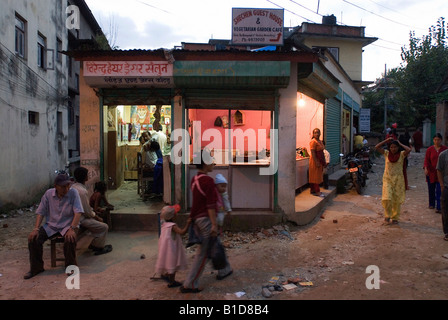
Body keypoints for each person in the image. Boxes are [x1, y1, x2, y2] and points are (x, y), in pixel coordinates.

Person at [181, 150, 233, 293]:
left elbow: (196, 202)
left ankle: (225, 269)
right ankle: (190, 283)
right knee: (203, 253)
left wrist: (191, 217)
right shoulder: (208, 181)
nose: (213, 163)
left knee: (215, 244)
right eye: (211, 160)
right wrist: (214, 224)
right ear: (204, 163)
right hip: (206, 220)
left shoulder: (195, 179)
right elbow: (210, 205)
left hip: (198, 218)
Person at [24, 174, 83, 279]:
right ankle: (36, 268)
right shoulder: (48, 194)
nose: (66, 189)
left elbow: (78, 212)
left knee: (70, 239)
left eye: (67, 186)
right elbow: (40, 212)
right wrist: (36, 229)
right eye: (63, 186)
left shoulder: (73, 193)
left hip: (68, 225)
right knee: (34, 239)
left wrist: (72, 228)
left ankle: (71, 267)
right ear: (56, 186)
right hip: (51, 226)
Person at [72, 167, 112, 255]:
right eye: (87, 175)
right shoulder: (82, 192)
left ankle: (95, 243)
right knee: (103, 227)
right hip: (80, 218)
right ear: (85, 177)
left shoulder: (73, 187)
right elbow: (87, 211)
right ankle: (97, 246)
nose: (88, 176)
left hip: (78, 216)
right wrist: (96, 217)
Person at [375, 138, 411, 225]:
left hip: (398, 180)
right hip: (387, 179)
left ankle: (395, 217)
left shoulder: (402, 154)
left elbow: (409, 149)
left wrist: (399, 142)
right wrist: (386, 140)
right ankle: (387, 216)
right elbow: (376, 147)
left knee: (396, 200)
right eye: (391, 147)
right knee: (387, 198)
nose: (393, 149)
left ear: (398, 148)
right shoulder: (386, 154)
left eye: (395, 147)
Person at [155, 205, 190, 288]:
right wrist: (188, 224)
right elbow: (182, 232)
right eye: (175, 213)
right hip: (172, 248)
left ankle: (168, 278)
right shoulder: (172, 226)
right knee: (173, 264)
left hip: (165, 248)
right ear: (173, 216)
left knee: (169, 263)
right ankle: (171, 281)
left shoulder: (164, 224)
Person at [424, 133, 448, 213]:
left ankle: (439, 206)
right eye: (435, 140)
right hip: (431, 172)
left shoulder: (445, 149)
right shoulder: (430, 149)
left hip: (441, 172)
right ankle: (431, 204)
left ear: (441, 140)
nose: (437, 141)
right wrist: (426, 168)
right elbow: (426, 160)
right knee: (431, 189)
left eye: (438, 140)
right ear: (433, 140)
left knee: (439, 189)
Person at [309, 128, 326, 197]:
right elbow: (313, 153)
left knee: (317, 176)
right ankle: (317, 191)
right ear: (313, 134)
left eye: (318, 132)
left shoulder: (320, 141)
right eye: (315, 133)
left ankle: (312, 190)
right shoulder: (313, 141)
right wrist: (316, 162)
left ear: (320, 133)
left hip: (320, 160)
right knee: (315, 176)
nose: (317, 134)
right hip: (314, 160)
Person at [436, 149, 448, 241]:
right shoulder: (443, 155)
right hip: (446, 186)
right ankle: (447, 232)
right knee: (446, 211)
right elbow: (439, 170)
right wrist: (441, 185)